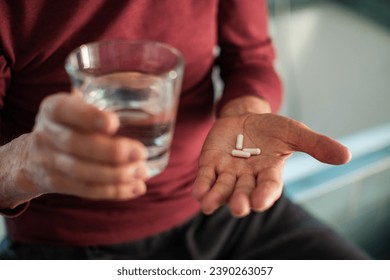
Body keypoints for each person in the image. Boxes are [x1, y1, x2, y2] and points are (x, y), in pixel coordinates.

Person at [0, 0, 369, 259]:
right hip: (68, 245)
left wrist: (246, 111)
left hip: (220, 199)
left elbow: (251, 58)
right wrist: (25, 165)